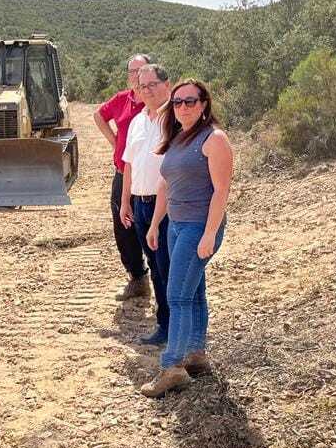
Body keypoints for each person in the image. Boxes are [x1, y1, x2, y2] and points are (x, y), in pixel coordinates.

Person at [141, 79, 233, 398]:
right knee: (192, 293)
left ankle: (172, 367)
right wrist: (155, 224)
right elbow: (166, 184)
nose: (183, 107)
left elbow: (221, 190)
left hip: (198, 227)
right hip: (176, 226)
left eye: (190, 101)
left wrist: (209, 234)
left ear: (204, 104)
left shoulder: (214, 139)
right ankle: (195, 355)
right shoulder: (179, 137)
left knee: (177, 295)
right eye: (178, 102)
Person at [119, 63, 171, 345]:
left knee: (167, 265)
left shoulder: (176, 118)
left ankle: (170, 325)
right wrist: (125, 201)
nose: (147, 90)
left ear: (167, 85)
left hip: (165, 207)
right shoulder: (138, 121)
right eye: (142, 86)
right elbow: (129, 164)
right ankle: (166, 323)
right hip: (140, 204)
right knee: (154, 262)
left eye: (152, 84)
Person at [94, 55, 150, 300]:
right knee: (123, 228)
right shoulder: (121, 100)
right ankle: (137, 279)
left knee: (150, 225)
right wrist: (115, 142)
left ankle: (163, 282)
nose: (136, 75)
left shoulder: (156, 103)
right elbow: (98, 116)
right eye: (132, 71)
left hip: (148, 176)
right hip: (122, 173)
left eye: (141, 70)